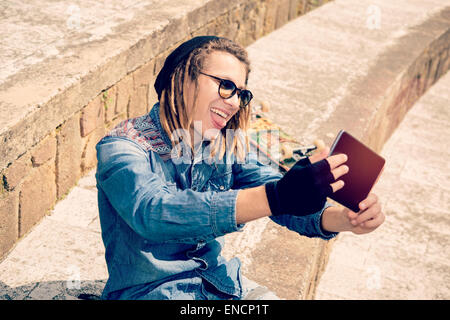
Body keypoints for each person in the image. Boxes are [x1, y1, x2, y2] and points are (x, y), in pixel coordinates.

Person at [95, 36, 385, 300]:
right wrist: (277, 196)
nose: (234, 102)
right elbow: (154, 212)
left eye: (241, 94)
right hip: (151, 293)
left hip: (219, 285)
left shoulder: (223, 146)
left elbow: (280, 195)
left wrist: (344, 219)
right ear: (181, 79)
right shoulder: (122, 147)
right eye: (226, 86)